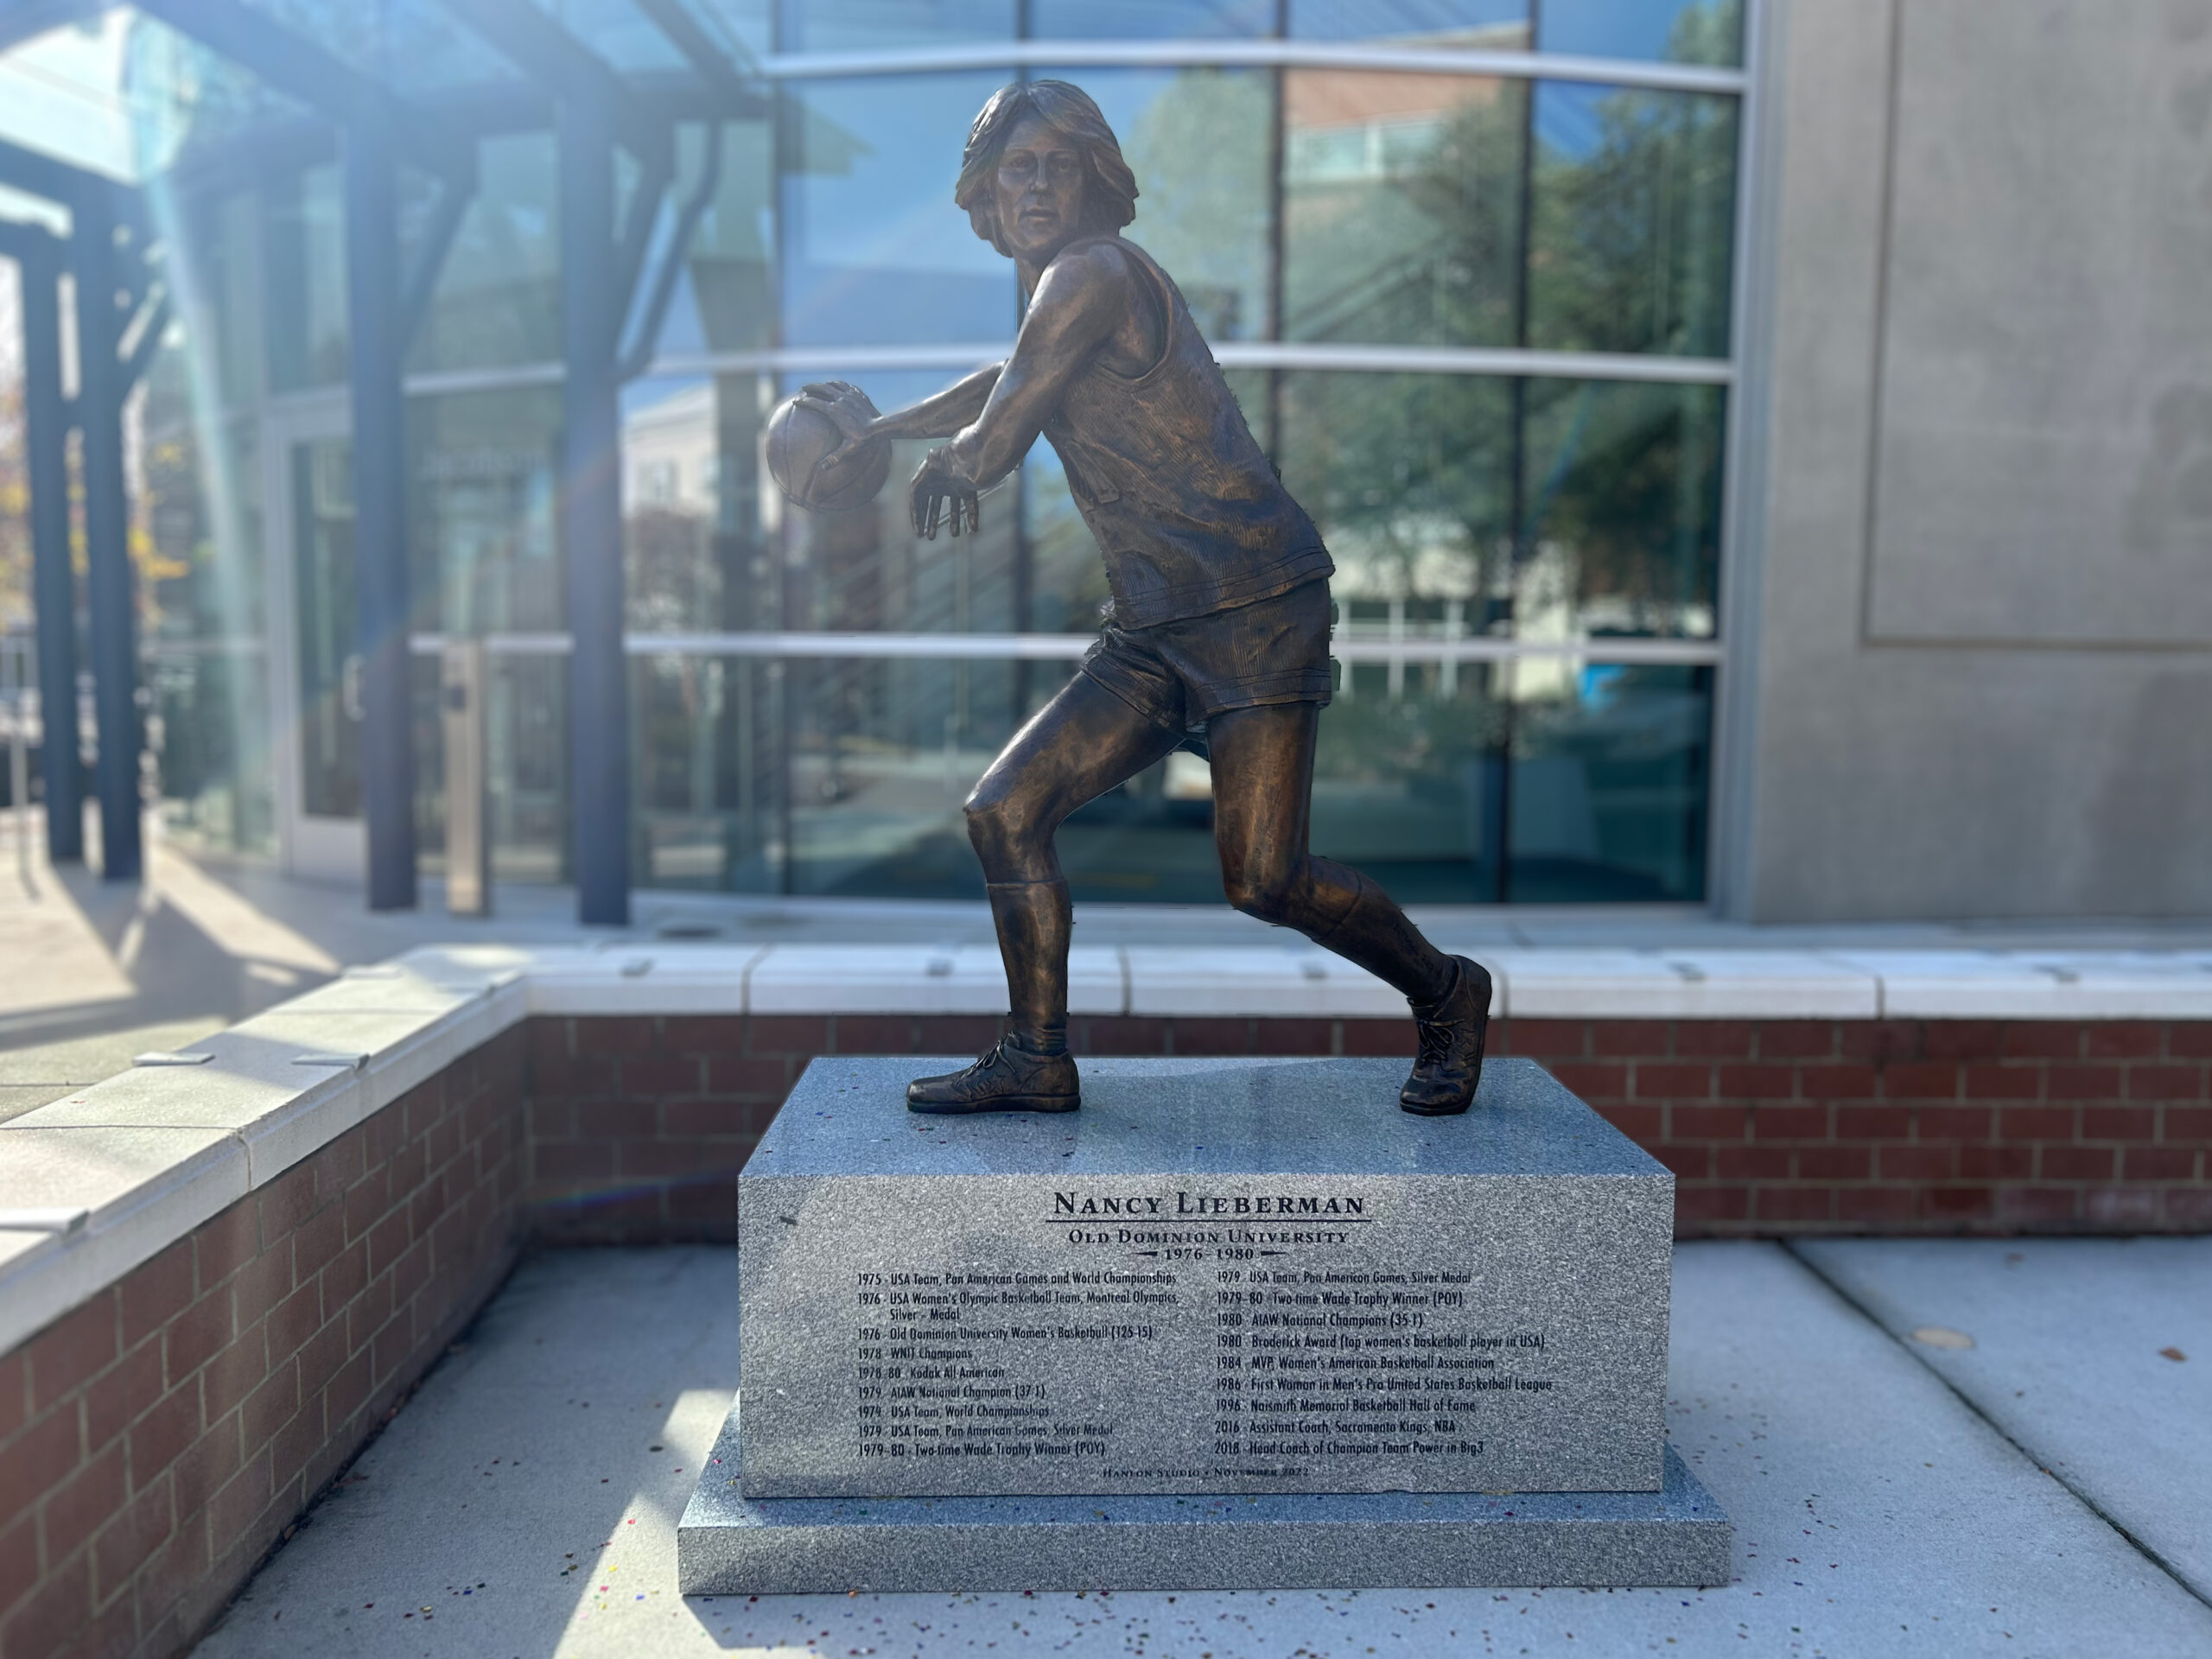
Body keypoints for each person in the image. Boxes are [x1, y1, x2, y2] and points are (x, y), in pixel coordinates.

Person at [796, 80, 1490, 1117]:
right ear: (984, 192)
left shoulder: (1093, 272)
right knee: (1005, 811)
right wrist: (881, 429)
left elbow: (1000, 427)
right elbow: (1006, 378)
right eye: (1017, 169)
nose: (1037, 186)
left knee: (1265, 880)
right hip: (1154, 630)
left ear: (1094, 180)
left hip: (1252, 609)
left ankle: (1447, 991)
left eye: (1058, 165)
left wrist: (947, 465)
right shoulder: (1054, 296)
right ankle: (1035, 1057)